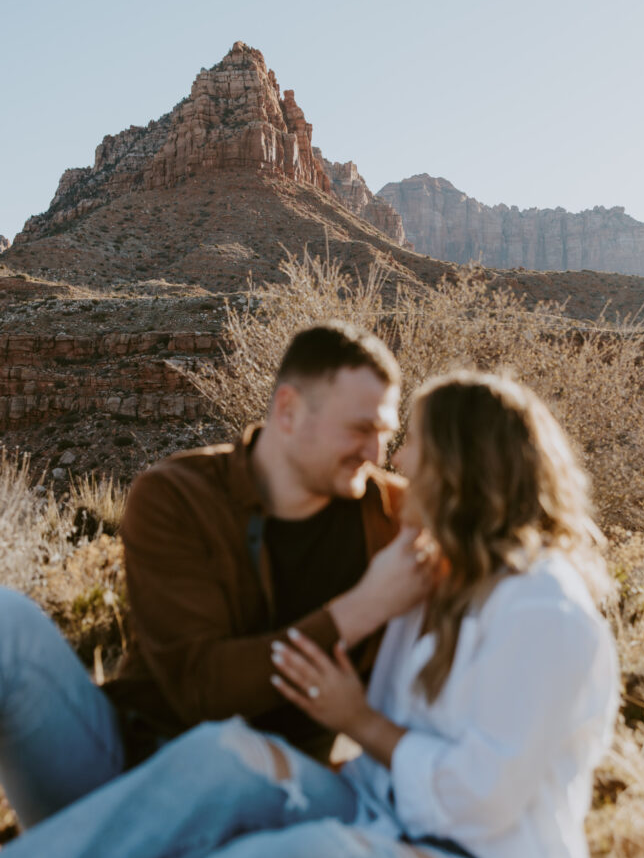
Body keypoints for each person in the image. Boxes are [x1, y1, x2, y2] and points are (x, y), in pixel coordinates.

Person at [0, 369, 619, 858]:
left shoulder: (546, 612)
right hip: (386, 814)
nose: (397, 460)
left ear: (462, 470)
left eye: (416, 446)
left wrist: (357, 721)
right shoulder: (430, 579)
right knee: (224, 758)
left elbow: (481, 802)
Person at [0, 323, 437, 827]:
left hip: (280, 793)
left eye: (384, 432)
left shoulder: (394, 517)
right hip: (130, 769)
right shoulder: (178, 496)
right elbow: (201, 689)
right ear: (289, 411)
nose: (375, 454)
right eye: (360, 430)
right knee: (9, 623)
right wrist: (360, 610)